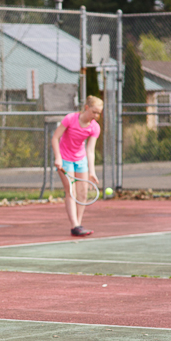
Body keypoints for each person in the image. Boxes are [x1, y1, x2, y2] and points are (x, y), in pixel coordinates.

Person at [51, 95, 103, 237]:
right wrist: (58, 158)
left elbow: (90, 150)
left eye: (99, 113)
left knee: (83, 193)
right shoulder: (70, 119)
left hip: (81, 160)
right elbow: (55, 138)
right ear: (87, 108)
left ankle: (77, 225)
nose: (96, 116)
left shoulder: (94, 127)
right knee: (71, 191)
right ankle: (75, 225)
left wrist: (92, 171)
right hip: (65, 159)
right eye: (94, 112)